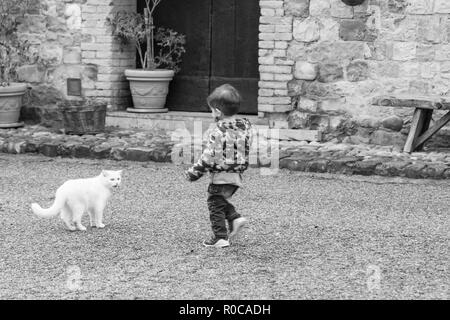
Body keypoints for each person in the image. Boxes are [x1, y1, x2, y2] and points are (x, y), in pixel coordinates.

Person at [184, 84, 253, 248]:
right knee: (220, 200)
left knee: (214, 204)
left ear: (217, 111)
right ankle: (235, 218)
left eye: (211, 110)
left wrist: (195, 172)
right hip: (236, 175)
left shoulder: (218, 132)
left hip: (221, 175)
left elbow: (208, 156)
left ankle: (220, 237)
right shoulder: (245, 127)